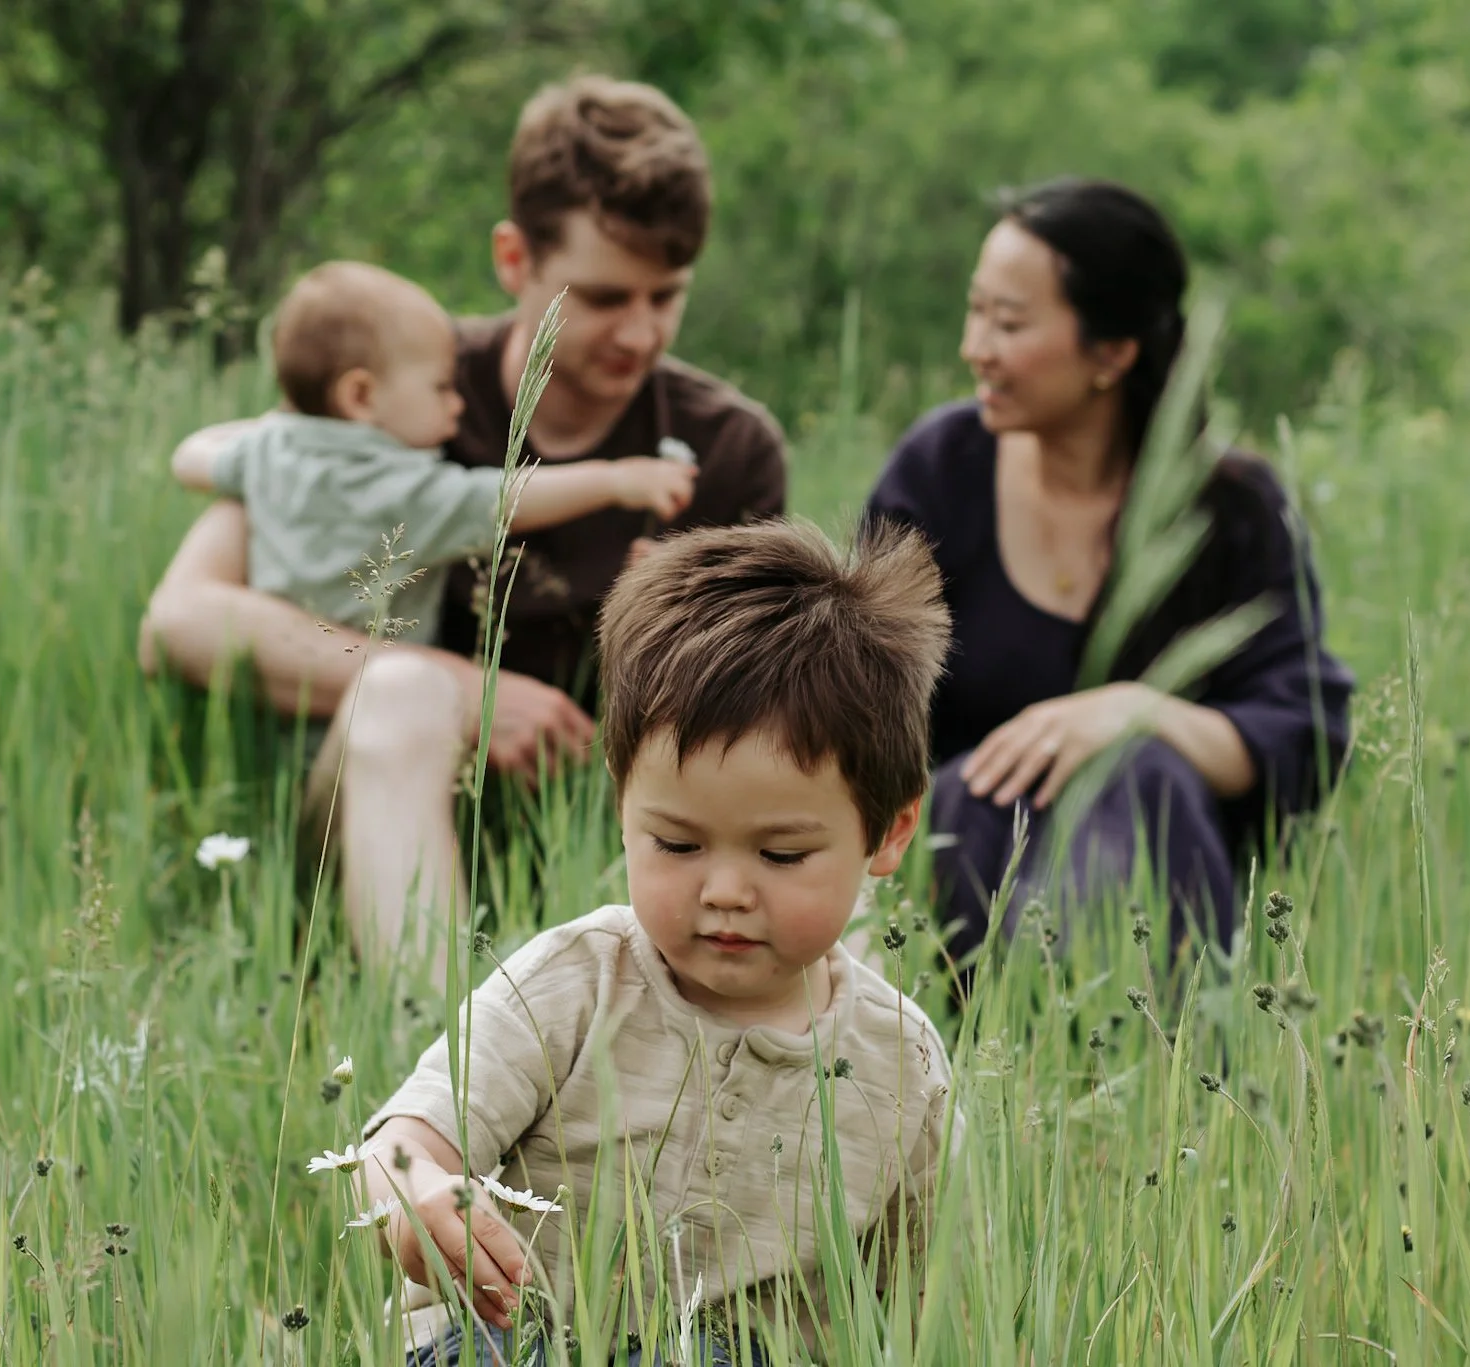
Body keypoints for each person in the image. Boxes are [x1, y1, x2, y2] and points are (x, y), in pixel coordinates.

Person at [138, 78, 788, 969]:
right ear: (514, 259)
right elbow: (182, 621)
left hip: (618, 838)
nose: (641, 334)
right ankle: (438, 1065)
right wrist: (460, 690)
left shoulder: (728, 447)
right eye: (602, 298)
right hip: (379, 798)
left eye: (665, 296)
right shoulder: (395, 380)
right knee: (401, 700)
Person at [331, 520, 957, 1364]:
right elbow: (409, 1134)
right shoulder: (577, 982)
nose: (725, 890)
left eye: (780, 854)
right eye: (677, 844)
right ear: (624, 805)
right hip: (518, 1337)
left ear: (889, 831)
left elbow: (930, 1304)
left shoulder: (901, 1065)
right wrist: (418, 1194)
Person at [861, 177, 1353, 971]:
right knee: (971, 792)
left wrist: (1138, 712)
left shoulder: (1229, 513)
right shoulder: (939, 471)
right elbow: (859, 697)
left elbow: (1306, 734)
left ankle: (1143, 1053)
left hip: (1153, 901)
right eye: (975, 308)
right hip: (957, 883)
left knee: (1139, 772)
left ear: (1113, 351)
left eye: (1008, 321)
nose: (973, 346)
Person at [169, 261, 696, 655]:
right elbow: (501, 498)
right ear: (361, 397)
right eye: (442, 387)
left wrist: (274, 434)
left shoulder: (269, 450)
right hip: (366, 705)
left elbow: (189, 458)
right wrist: (615, 480)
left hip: (279, 696)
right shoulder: (395, 490)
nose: (458, 403)